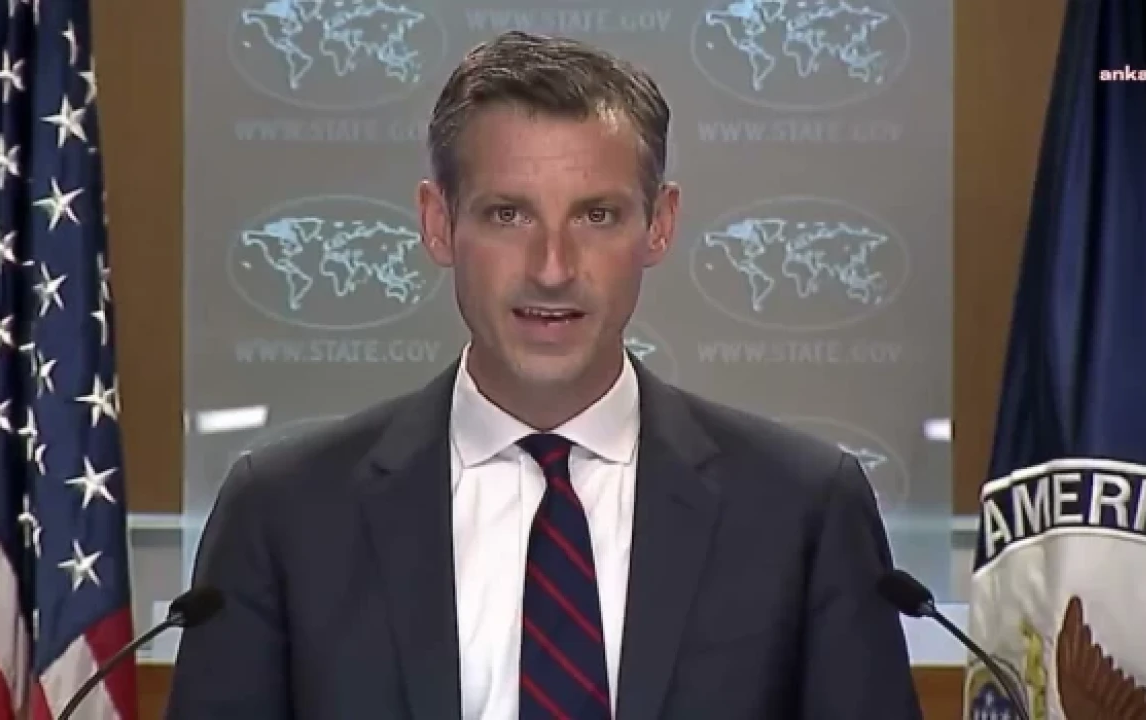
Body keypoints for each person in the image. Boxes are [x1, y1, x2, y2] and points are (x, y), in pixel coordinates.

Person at [166, 30, 922, 720]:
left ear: (659, 224)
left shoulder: (801, 509)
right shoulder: (285, 514)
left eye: (597, 216)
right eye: (508, 215)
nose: (553, 268)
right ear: (438, 223)